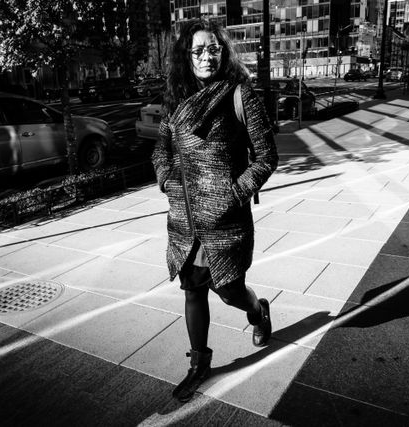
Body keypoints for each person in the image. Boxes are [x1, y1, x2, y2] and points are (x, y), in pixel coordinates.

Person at [152, 18, 278, 403]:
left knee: (228, 290)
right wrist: (166, 179)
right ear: (186, 57)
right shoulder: (174, 102)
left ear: (222, 52)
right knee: (192, 291)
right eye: (198, 50)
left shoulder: (240, 95)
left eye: (213, 48)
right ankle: (199, 363)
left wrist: (232, 195)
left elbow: (267, 157)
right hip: (185, 221)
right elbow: (161, 150)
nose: (206, 56)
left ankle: (258, 310)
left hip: (225, 221)